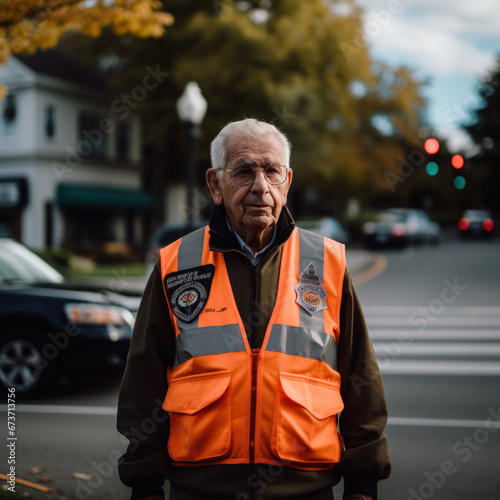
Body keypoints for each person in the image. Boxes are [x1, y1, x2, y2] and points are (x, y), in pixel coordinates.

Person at [117, 118, 391, 500]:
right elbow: (143, 382)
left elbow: (361, 376)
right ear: (215, 184)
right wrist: (144, 484)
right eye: (244, 171)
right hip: (200, 489)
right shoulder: (176, 264)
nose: (261, 187)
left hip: (306, 489)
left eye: (271, 171)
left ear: (287, 182)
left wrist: (363, 484)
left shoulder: (328, 262)